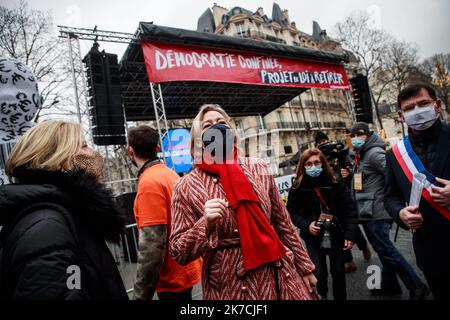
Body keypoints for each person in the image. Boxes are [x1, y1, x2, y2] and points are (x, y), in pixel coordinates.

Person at [169, 104, 318, 300]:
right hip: (230, 286)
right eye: (207, 125)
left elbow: (284, 224)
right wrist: (205, 224)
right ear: (197, 139)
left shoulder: (258, 168)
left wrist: (305, 267)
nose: (216, 127)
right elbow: (178, 251)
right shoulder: (185, 186)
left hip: (280, 273)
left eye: (221, 123)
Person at [0, 121, 128, 299]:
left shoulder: (65, 213)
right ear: (58, 159)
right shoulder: (49, 228)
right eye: (84, 145)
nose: (94, 153)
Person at [384, 83, 450, 300]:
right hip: (431, 252)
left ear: (437, 105)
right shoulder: (395, 154)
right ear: (401, 116)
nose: (417, 111)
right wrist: (400, 214)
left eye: (423, 104)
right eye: (409, 108)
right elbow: (390, 197)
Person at [350, 121, 429, 299]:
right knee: (382, 249)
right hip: (368, 210)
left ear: (368, 135)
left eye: (359, 135)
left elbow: (393, 176)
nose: (355, 139)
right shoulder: (361, 154)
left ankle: (416, 285)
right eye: (352, 136)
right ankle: (390, 284)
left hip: (377, 210)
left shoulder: (374, 153)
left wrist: (392, 199)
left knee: (386, 250)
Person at [127, 126, 202, 300]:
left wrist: (140, 296)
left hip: (172, 277)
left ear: (130, 151)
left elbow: (152, 247)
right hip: (185, 269)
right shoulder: (170, 174)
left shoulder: (148, 184)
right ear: (158, 149)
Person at [286, 148, 358, 300]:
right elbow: (291, 212)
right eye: (309, 164)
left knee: (338, 271)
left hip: (336, 233)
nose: (313, 167)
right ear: (303, 166)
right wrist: (307, 225)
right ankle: (323, 294)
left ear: (323, 163)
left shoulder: (335, 182)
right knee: (319, 272)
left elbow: (349, 209)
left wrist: (350, 234)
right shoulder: (297, 187)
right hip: (313, 236)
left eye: (317, 163)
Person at [314, 131, 372, 272]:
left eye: (324, 141)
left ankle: (363, 245)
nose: (323, 144)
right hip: (328, 199)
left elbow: (354, 170)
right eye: (319, 142)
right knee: (337, 230)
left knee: (350, 225)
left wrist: (347, 174)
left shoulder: (339, 153)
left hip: (344, 193)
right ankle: (348, 260)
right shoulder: (317, 158)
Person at [0, 57, 42, 186]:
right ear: (41, 100)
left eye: (21, 87)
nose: (8, 95)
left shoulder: (49, 139)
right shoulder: (48, 139)